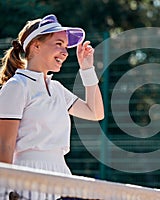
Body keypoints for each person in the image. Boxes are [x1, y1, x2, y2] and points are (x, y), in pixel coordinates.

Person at [0, 14, 104, 198]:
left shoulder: (57, 89)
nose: (65, 52)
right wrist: (5, 191)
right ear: (36, 46)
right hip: (27, 182)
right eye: (58, 44)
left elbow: (95, 112)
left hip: (63, 179)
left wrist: (87, 69)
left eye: (65, 46)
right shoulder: (17, 86)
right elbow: (4, 145)